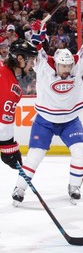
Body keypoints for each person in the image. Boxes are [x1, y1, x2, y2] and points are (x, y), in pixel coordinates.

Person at [11, 12, 83, 206]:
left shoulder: (76, 66)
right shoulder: (44, 65)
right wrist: (37, 33)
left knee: (81, 151)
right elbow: (35, 51)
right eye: (63, 66)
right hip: (45, 120)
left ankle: (74, 186)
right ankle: (20, 187)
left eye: (68, 66)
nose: (66, 70)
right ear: (56, 63)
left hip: (69, 121)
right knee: (34, 156)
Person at [0, 39, 38, 170]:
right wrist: (9, 150)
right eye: (31, 60)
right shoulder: (12, 89)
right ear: (20, 59)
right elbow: (3, 126)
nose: (32, 65)